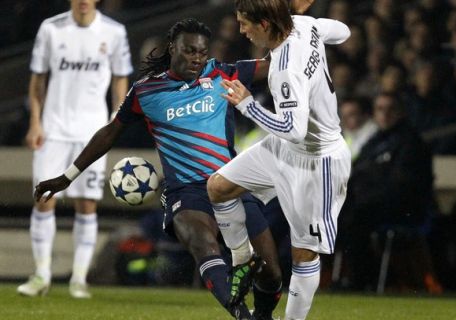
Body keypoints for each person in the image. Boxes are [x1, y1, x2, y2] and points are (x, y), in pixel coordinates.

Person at [33, 18, 284, 320]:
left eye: (202, 53)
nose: (197, 59)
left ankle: (263, 316)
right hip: (185, 192)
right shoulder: (145, 91)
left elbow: (274, 65)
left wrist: (286, 25)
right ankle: (242, 315)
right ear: (172, 48)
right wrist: (67, 176)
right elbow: (110, 132)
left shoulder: (223, 73)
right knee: (202, 244)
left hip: (230, 183)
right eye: (189, 51)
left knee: (270, 272)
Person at [206, 1, 351, 319]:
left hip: (318, 160)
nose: (242, 31)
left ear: (265, 25)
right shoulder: (304, 24)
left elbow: (294, 129)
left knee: (304, 253)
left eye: (245, 24)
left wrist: (247, 104)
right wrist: (314, 30)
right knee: (218, 187)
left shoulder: (284, 68)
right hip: (284, 150)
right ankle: (242, 258)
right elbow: (342, 31)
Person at [17, 0, 132, 299]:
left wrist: (114, 121)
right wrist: (35, 123)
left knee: (87, 205)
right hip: (53, 131)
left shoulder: (114, 32)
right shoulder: (51, 29)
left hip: (91, 133)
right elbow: (38, 78)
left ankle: (78, 279)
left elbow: (121, 78)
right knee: (43, 199)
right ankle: (41, 273)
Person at [344, 92, 443, 293]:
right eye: (380, 109)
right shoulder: (374, 142)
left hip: (402, 209)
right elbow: (356, 172)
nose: (385, 114)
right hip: (372, 204)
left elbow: (401, 186)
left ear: (401, 112)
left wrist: (363, 197)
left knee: (353, 218)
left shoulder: (410, 142)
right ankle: (346, 277)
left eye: (390, 109)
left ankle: (362, 281)